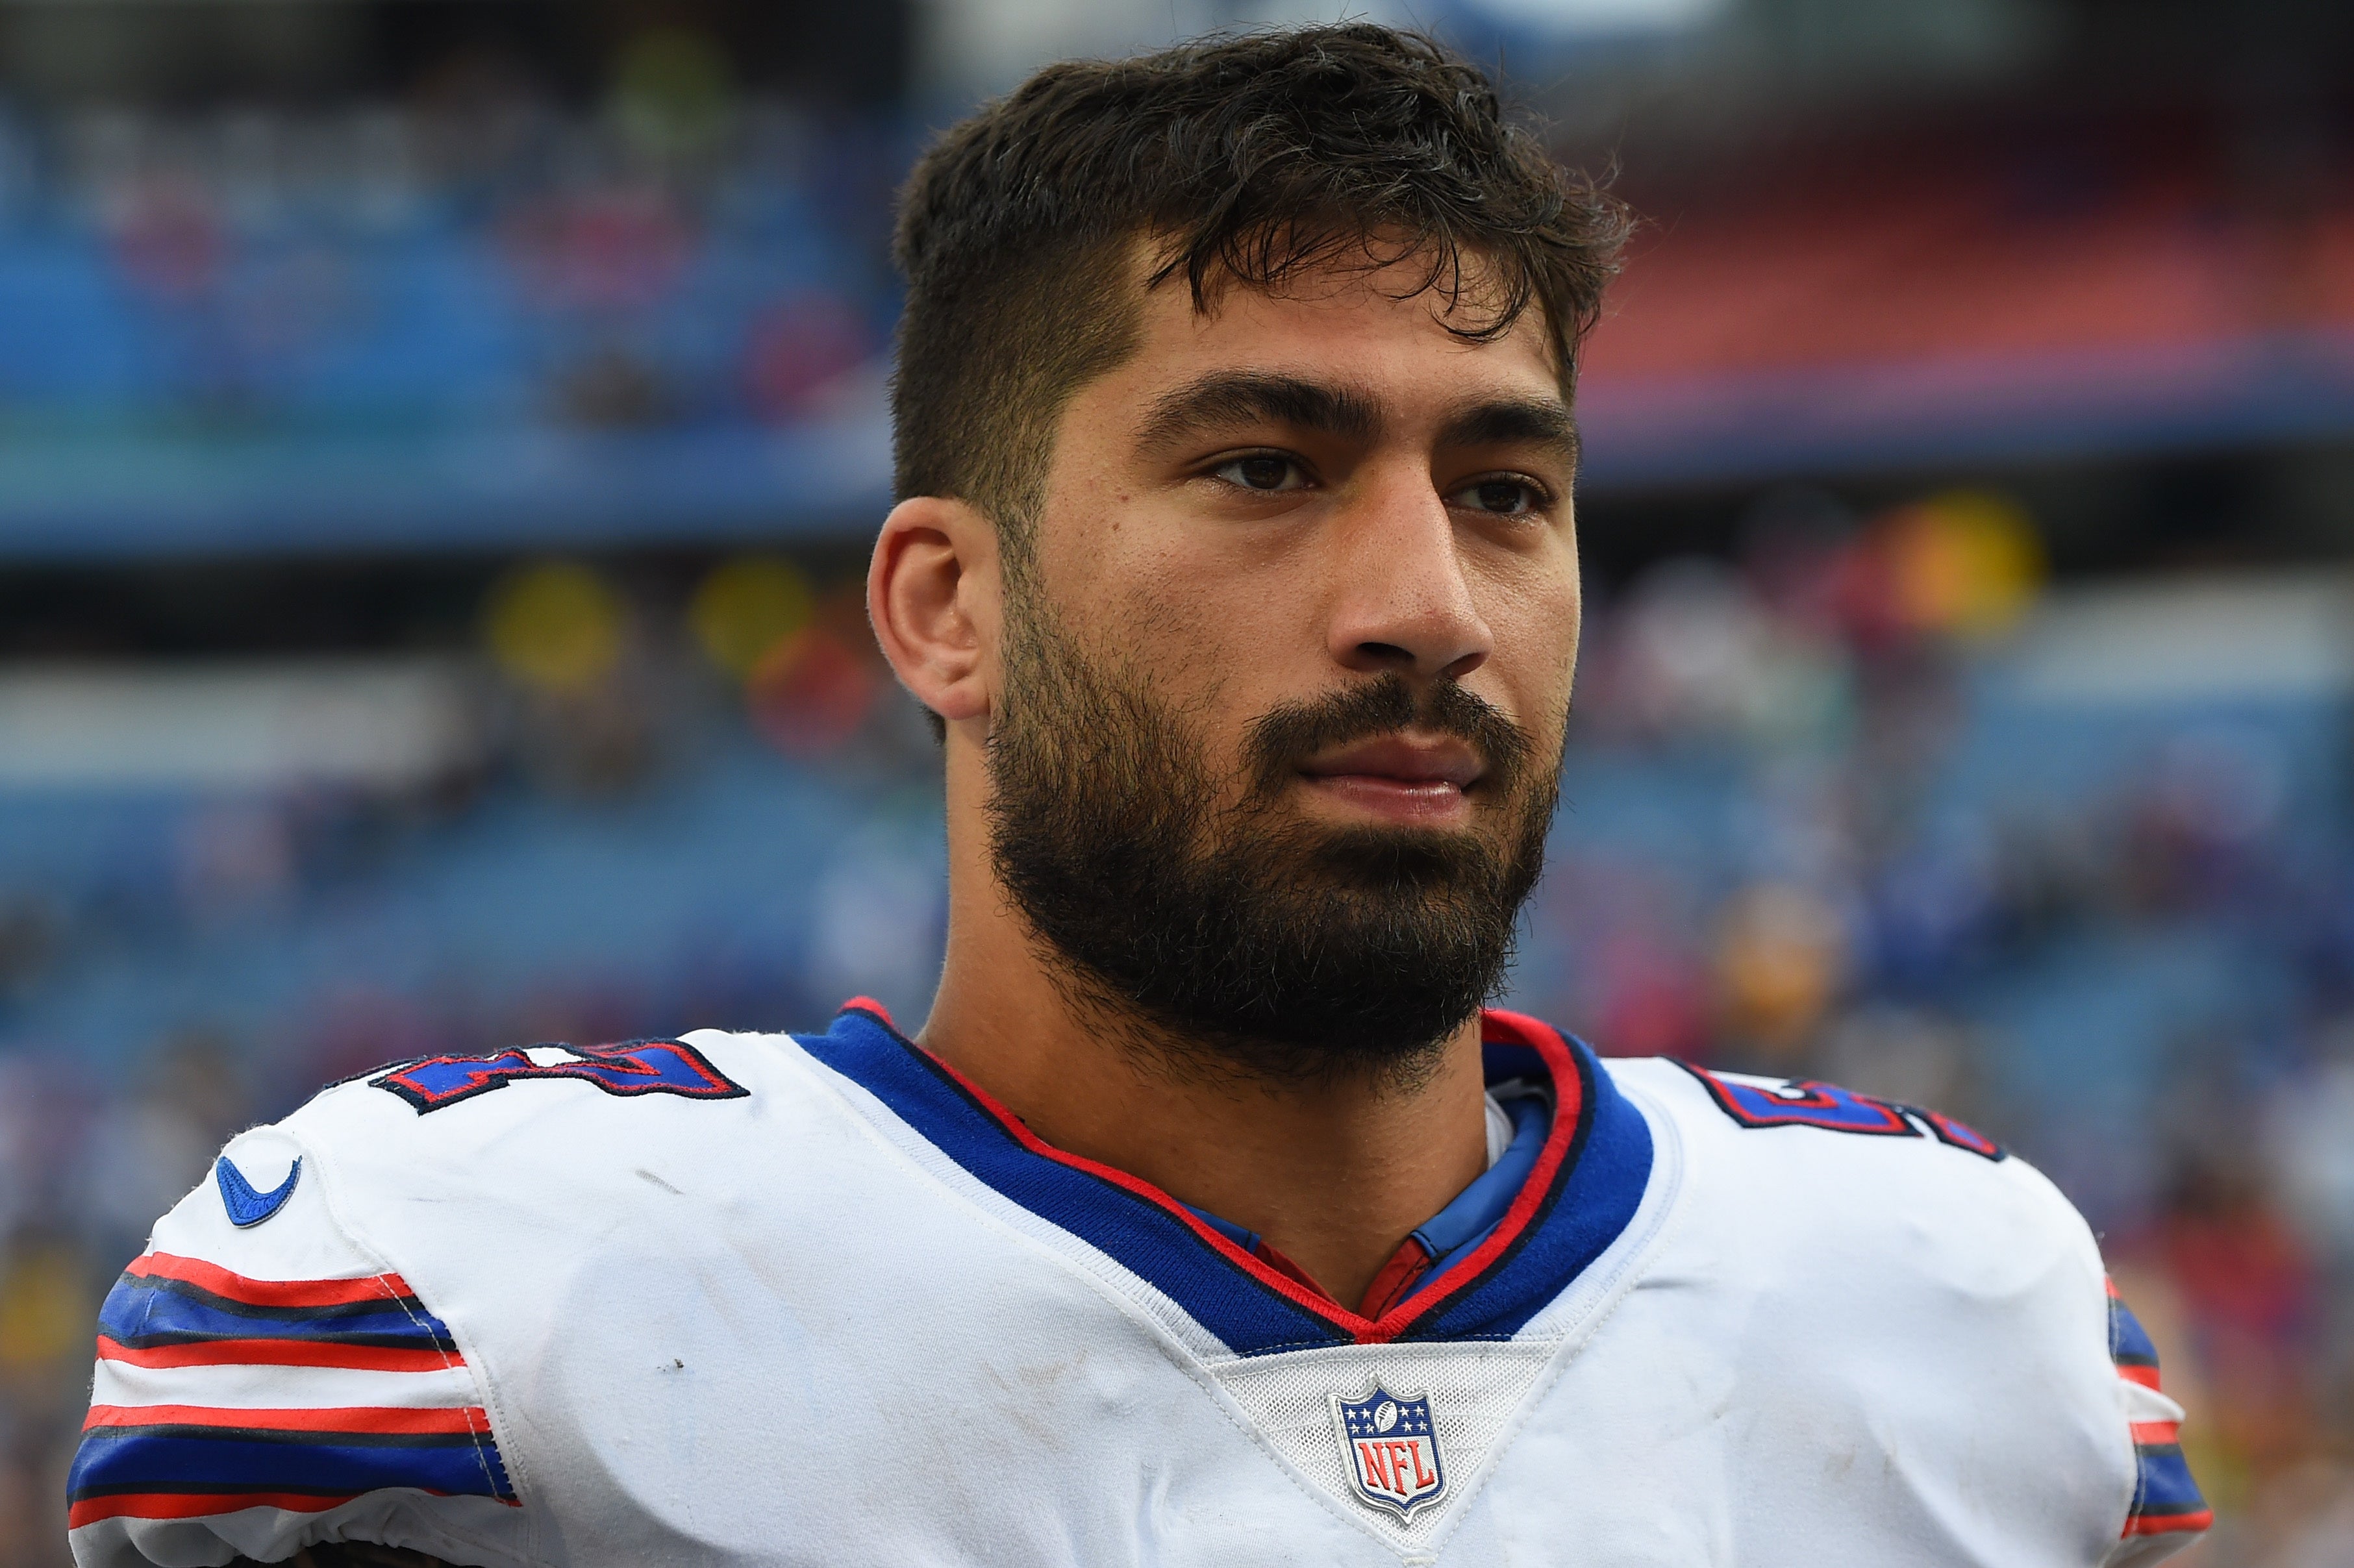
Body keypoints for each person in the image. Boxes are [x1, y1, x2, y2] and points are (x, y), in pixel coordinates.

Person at [68, 25, 2207, 1568]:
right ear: (943, 608)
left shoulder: (1950, 1310)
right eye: (1261, 469)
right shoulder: (455, 1319)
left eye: (1505, 490)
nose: (1424, 606)